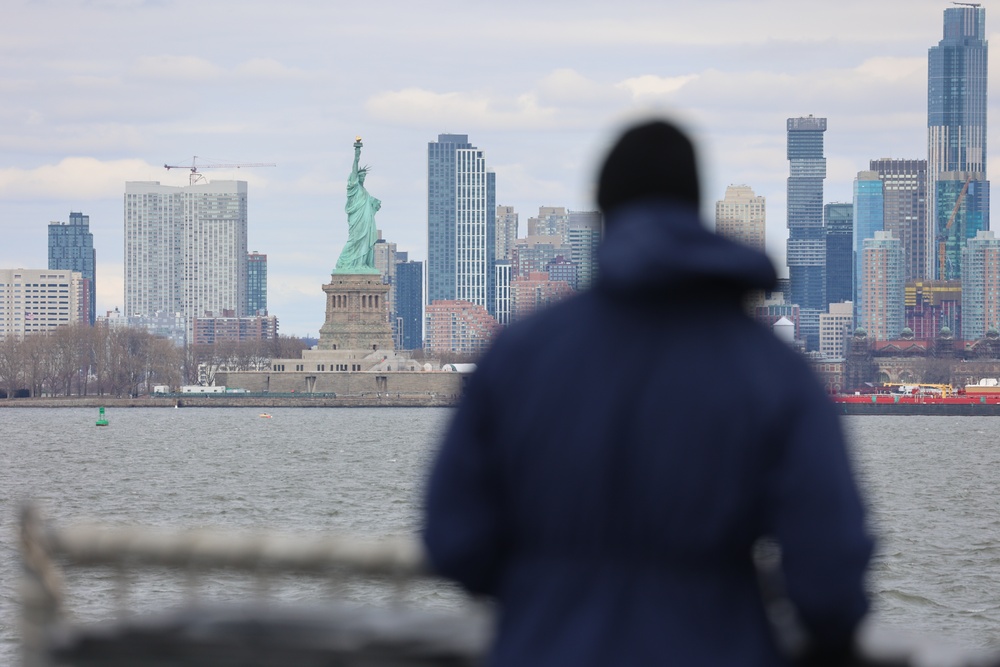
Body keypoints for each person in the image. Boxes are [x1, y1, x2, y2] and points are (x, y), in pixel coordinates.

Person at [422, 119, 873, 666]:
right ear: (694, 205)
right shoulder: (773, 369)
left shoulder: (519, 354)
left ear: (605, 215)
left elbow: (453, 537)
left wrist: (548, 591)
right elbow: (829, 562)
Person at [335, 137, 381, 273]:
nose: (363, 178)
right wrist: (357, 151)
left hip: (366, 220)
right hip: (357, 219)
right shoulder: (353, 187)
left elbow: (370, 204)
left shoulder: (365, 192)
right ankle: (344, 263)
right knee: (355, 239)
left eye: (364, 177)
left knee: (365, 241)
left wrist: (374, 203)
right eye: (361, 176)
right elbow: (355, 167)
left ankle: (363, 264)